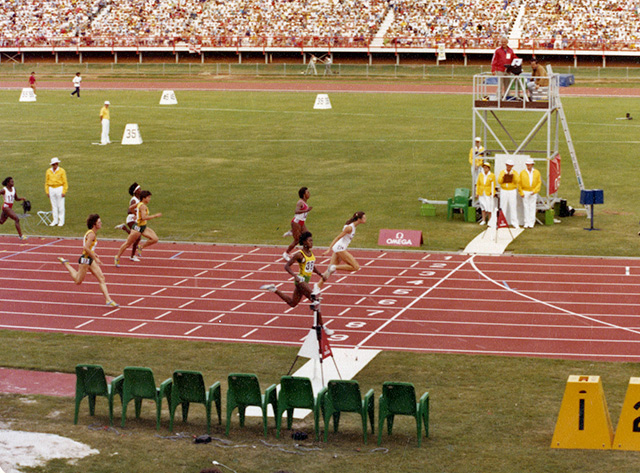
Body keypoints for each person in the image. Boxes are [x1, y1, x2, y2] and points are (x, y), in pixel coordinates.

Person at [261, 231, 332, 334]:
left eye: (312, 240)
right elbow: (287, 266)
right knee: (315, 300)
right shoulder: (299, 254)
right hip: (301, 281)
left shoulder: (310, 253)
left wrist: (320, 274)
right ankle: (323, 327)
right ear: (304, 242)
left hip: (305, 281)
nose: (312, 242)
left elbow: (311, 266)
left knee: (292, 303)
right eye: (309, 240)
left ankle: (274, 289)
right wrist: (296, 276)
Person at [57, 214, 118, 307]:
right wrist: (95, 258)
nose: (101, 223)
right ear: (94, 224)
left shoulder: (91, 233)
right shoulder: (91, 234)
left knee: (101, 278)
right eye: (99, 222)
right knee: (78, 281)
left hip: (89, 258)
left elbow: (89, 247)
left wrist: (94, 254)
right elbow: (85, 247)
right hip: (85, 259)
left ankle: (108, 300)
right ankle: (66, 264)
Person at [316, 211, 367, 293]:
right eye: (364, 218)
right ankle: (334, 267)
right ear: (359, 219)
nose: (365, 219)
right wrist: (329, 249)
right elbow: (337, 237)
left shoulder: (353, 226)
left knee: (329, 271)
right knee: (356, 267)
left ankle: (317, 287)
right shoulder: (350, 228)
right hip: (339, 248)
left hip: (338, 248)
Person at [114, 190, 162, 267]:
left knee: (155, 239)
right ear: (144, 198)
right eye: (148, 197)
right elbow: (144, 217)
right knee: (128, 244)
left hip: (143, 227)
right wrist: (155, 216)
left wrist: (136, 214)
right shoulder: (142, 206)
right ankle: (117, 257)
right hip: (137, 227)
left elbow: (131, 207)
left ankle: (141, 247)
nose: (150, 199)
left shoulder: (139, 204)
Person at [115, 182, 143, 261]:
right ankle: (132, 256)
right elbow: (129, 211)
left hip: (136, 220)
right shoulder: (134, 200)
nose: (141, 190)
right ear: (135, 192)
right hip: (131, 219)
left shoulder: (139, 199)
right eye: (139, 189)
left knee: (135, 237)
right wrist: (136, 213)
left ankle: (124, 227)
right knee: (137, 237)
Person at [283, 187, 312, 261]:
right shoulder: (300, 202)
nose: (309, 194)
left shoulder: (304, 202)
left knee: (307, 236)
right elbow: (296, 211)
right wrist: (306, 210)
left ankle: (292, 231)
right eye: (307, 192)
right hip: (296, 222)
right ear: (303, 194)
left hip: (301, 223)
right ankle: (286, 253)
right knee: (297, 240)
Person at [44, 157, 68, 227]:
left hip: (59, 188)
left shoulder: (61, 171)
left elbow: (65, 182)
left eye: (56, 164)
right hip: (51, 188)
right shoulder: (48, 171)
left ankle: (61, 221)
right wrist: (47, 191)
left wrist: (64, 191)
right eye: (54, 164)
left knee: (60, 206)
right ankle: (55, 220)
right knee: (54, 206)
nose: (55, 165)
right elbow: (46, 182)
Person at [519, 157, 541, 228]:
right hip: (525, 191)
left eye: (530, 164)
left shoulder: (536, 172)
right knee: (526, 207)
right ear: (526, 164)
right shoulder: (522, 172)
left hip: (533, 192)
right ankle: (526, 222)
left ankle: (531, 222)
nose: (529, 166)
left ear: (532, 164)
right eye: (528, 164)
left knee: (532, 207)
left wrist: (535, 191)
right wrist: (521, 192)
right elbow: (519, 183)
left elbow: (539, 183)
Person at [497, 159, 520, 228]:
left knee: (513, 206)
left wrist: (512, 176)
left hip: (512, 190)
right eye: (507, 165)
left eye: (510, 166)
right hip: (504, 190)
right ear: (506, 165)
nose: (509, 167)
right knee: (503, 206)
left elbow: (517, 181)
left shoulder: (515, 172)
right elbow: (499, 181)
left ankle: (514, 223)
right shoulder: (502, 172)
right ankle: (502, 222)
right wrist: (504, 177)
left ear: (512, 166)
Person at [475, 161, 495, 226]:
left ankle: (490, 220)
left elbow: (493, 185)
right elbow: (478, 184)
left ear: (489, 168)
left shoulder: (492, 175)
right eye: (484, 167)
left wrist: (493, 192)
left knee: (489, 206)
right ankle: (483, 220)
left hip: (488, 193)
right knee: (483, 206)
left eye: (486, 168)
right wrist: (477, 192)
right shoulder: (480, 175)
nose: (485, 169)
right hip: (481, 192)